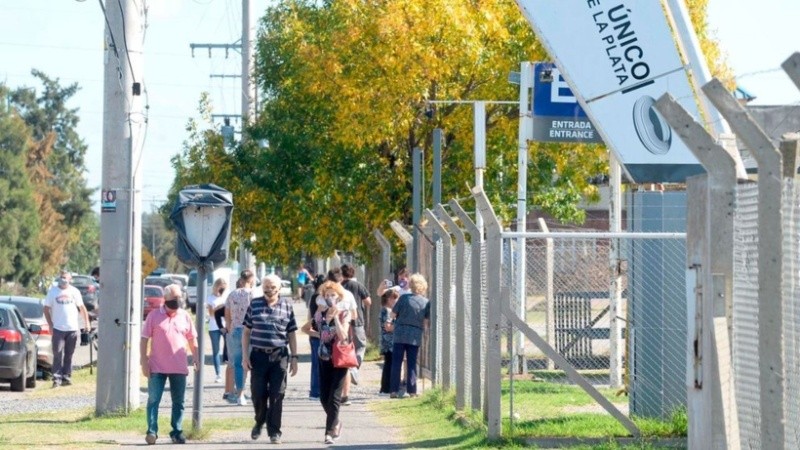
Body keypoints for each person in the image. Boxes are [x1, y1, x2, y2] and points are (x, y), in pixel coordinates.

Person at [242, 274, 299, 444]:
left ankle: (274, 431)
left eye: (273, 287)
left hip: (279, 356)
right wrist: (245, 356)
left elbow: (292, 333)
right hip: (258, 356)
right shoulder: (255, 304)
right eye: (266, 286)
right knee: (257, 394)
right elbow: (246, 332)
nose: (269, 290)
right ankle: (260, 421)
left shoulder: (287, 306)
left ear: (279, 288)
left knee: (277, 394)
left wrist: (294, 357)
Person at [140, 284, 199, 445]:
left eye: (179, 298)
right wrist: (143, 361)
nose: (178, 301)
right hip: (157, 367)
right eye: (174, 298)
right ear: (165, 299)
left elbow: (192, 339)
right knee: (153, 400)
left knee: (179, 402)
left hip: (179, 367)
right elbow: (144, 339)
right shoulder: (153, 316)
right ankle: (152, 431)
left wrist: (196, 357)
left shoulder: (185, 316)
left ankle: (176, 431)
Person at [313, 281, 351, 444]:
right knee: (323, 396)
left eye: (333, 295)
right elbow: (315, 329)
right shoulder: (319, 313)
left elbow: (343, 336)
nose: (329, 298)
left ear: (339, 297)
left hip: (340, 358)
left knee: (335, 396)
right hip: (324, 357)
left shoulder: (345, 313)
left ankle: (329, 433)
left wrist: (335, 317)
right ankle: (335, 422)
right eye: (327, 295)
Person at [44, 270, 90, 387]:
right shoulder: (53, 292)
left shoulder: (74, 291)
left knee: (69, 354)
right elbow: (46, 309)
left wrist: (87, 323)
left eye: (66, 278)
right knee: (57, 353)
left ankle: (66, 377)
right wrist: (50, 324)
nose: (63, 279)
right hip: (58, 328)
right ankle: (56, 379)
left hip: (72, 328)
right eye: (62, 277)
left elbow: (82, 308)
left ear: (70, 280)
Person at [390, 273, 430, 399]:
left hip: (400, 333)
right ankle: (412, 391)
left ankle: (394, 391)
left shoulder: (403, 298)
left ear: (411, 285)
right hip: (415, 335)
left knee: (397, 362)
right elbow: (426, 321)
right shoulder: (426, 302)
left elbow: (393, 314)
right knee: (412, 363)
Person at [225, 269, 256, 406]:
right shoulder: (253, 295)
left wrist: (230, 326)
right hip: (250, 331)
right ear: (251, 281)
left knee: (238, 364)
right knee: (252, 363)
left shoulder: (232, 294)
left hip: (235, 330)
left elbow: (227, 315)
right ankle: (253, 391)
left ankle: (240, 394)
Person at [300, 274, 327, 400]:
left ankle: (315, 391)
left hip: (314, 332)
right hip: (320, 333)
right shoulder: (321, 298)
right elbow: (315, 316)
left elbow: (309, 316)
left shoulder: (312, 298)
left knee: (316, 364)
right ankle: (317, 391)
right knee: (320, 364)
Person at [207, 277, 228, 383]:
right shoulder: (210, 298)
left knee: (228, 347)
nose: (221, 290)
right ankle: (218, 374)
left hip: (225, 326)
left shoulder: (226, 298)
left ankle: (229, 369)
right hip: (213, 327)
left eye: (223, 288)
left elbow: (229, 313)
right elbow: (211, 314)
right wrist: (219, 307)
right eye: (220, 288)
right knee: (216, 351)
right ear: (216, 287)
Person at [379, 289, 399, 395]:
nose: (396, 301)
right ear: (389, 299)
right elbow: (388, 327)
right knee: (389, 364)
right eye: (394, 298)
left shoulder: (388, 310)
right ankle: (386, 387)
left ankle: (386, 387)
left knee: (389, 364)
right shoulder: (386, 311)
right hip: (388, 342)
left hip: (389, 341)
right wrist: (399, 326)